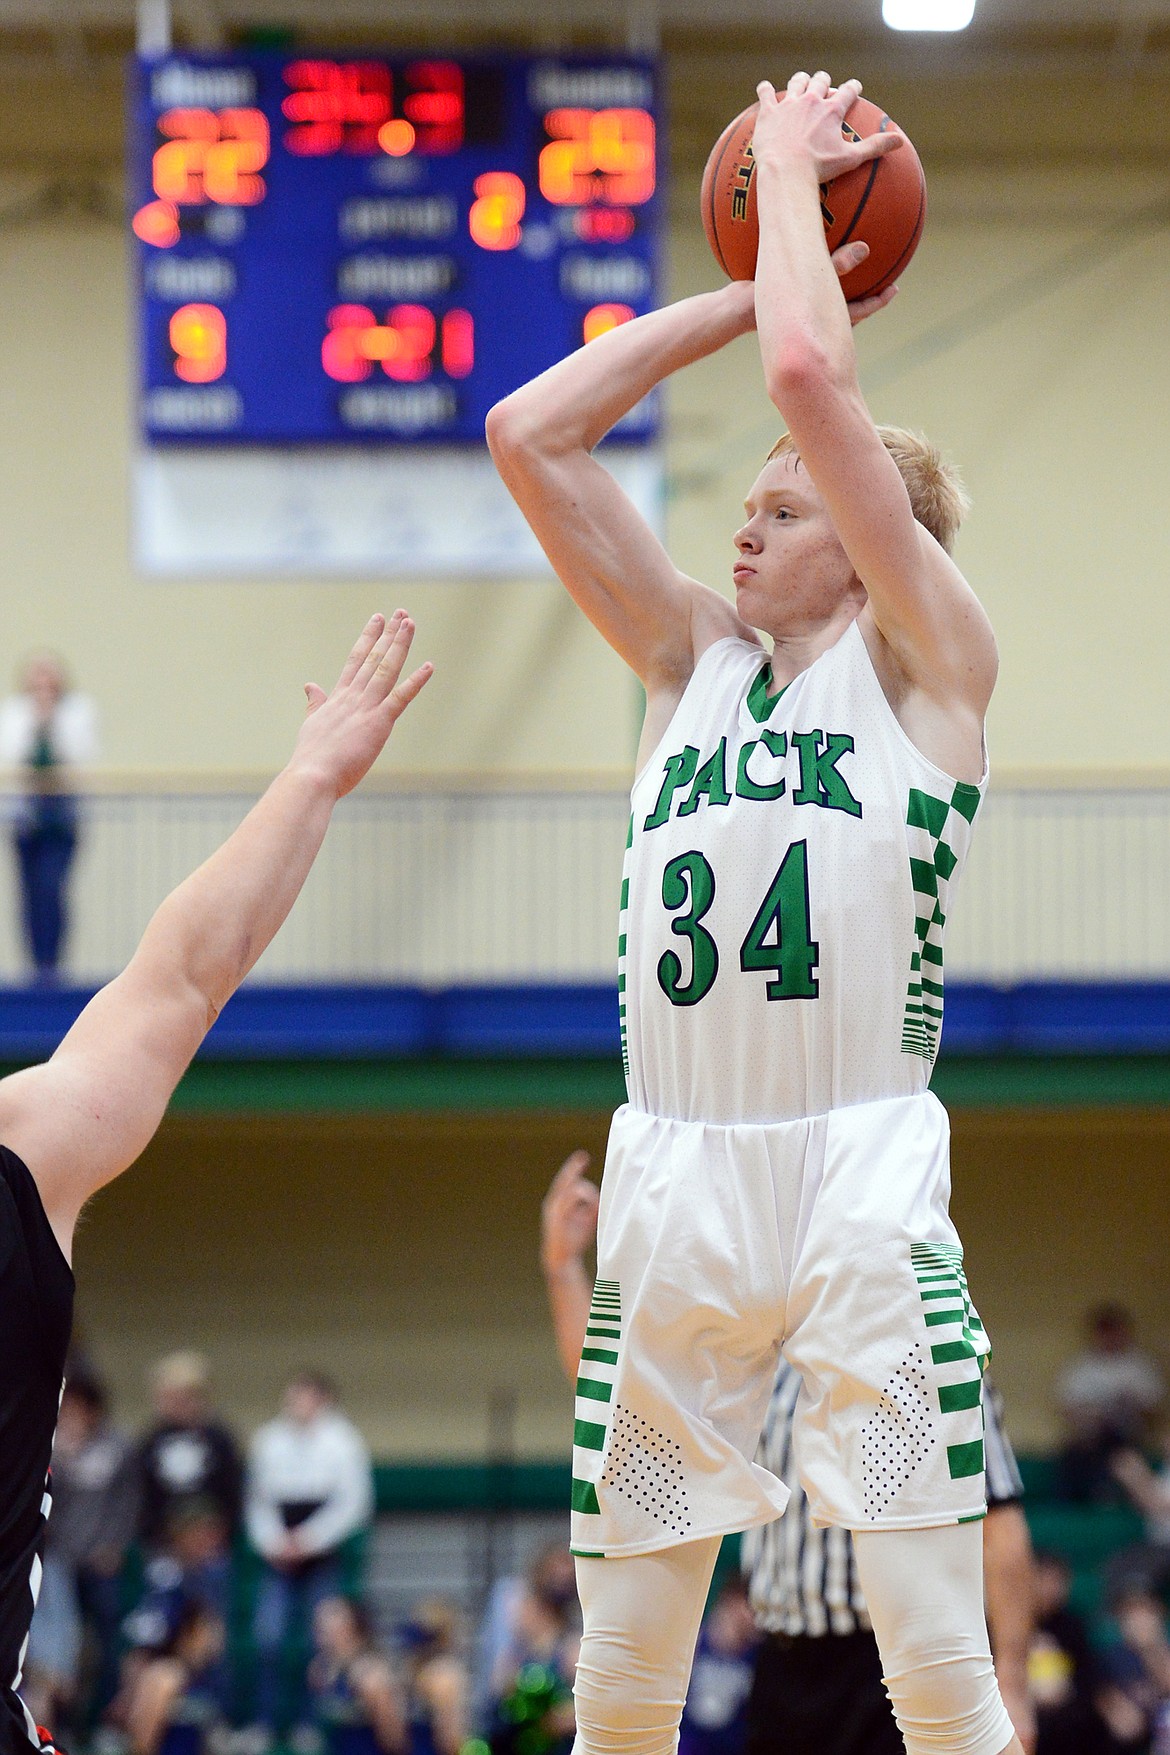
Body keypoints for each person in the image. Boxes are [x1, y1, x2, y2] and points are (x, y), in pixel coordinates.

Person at [493, 64, 1014, 1755]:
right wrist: (737, 282)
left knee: (936, 1656)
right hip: (675, 1166)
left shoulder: (933, 665)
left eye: (785, 506)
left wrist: (793, 183)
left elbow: (812, 369)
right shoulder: (690, 665)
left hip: (858, 1173)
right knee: (627, 1671)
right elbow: (529, 432)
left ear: (872, 552)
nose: (747, 517)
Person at [0, 610, 431, 1755]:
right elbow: (187, 979)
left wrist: (312, 779)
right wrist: (310, 779)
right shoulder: (25, 1146)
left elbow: (188, 976)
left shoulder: (21, 1145)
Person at [541, 1153, 1037, 1755]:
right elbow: (626, 1396)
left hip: (884, 1661)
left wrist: (1010, 1676)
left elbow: (1002, 1528)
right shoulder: (753, 1359)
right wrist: (563, 1268)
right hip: (781, 1660)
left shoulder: (914, 1343)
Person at [245, 1374, 375, 1739]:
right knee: (268, 1637)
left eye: (302, 1397)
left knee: (323, 1643)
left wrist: (308, 1540)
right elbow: (257, 1501)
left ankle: (311, 1725)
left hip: (323, 1554)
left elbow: (353, 1504)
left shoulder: (344, 1442)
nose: (295, 1405)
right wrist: (274, 1542)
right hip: (278, 1553)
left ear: (323, 1399)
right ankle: (265, 1723)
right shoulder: (269, 1440)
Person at [34, 1371, 139, 1729]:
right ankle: (60, 1724)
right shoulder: (52, 1447)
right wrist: (60, 1456)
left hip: (104, 1561)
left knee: (108, 1643)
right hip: (61, 1560)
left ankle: (101, 1722)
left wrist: (116, 1547)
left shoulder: (118, 1448)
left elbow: (128, 1505)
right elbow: (47, 1502)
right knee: (62, 1641)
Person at [0, 652, 99, 981]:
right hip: (25, 818)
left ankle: (52, 966)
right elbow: (12, 757)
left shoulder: (77, 712)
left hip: (61, 818)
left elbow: (79, 757)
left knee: (51, 888)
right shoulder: (14, 714)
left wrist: (50, 721)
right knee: (28, 894)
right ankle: (35, 967)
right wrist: (35, 722)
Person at [136, 1353, 243, 1561]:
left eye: (178, 1397)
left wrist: (216, 1532)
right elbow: (145, 1495)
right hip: (165, 1543)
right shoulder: (152, 1441)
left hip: (212, 1541)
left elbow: (231, 1490)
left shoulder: (218, 1439)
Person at [1055, 1306, 1165, 1503]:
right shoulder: (1083, 1366)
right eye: (1105, 1331)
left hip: (1129, 1437)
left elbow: (1153, 1408)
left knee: (1120, 1451)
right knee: (1077, 1453)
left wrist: (1128, 1405)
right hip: (1090, 1440)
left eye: (1114, 1330)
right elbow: (1069, 1409)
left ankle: (1112, 1498)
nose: (1110, 1337)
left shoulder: (1138, 1365)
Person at [121, 1597, 227, 1755]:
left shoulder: (201, 1679)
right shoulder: (164, 1674)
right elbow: (141, 1742)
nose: (214, 1640)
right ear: (188, 1632)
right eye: (207, 1631)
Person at [308, 1596, 406, 1755]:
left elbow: (394, 1741)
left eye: (330, 1615)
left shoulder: (371, 1676)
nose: (318, 1624)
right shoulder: (319, 1668)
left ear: (349, 1626)